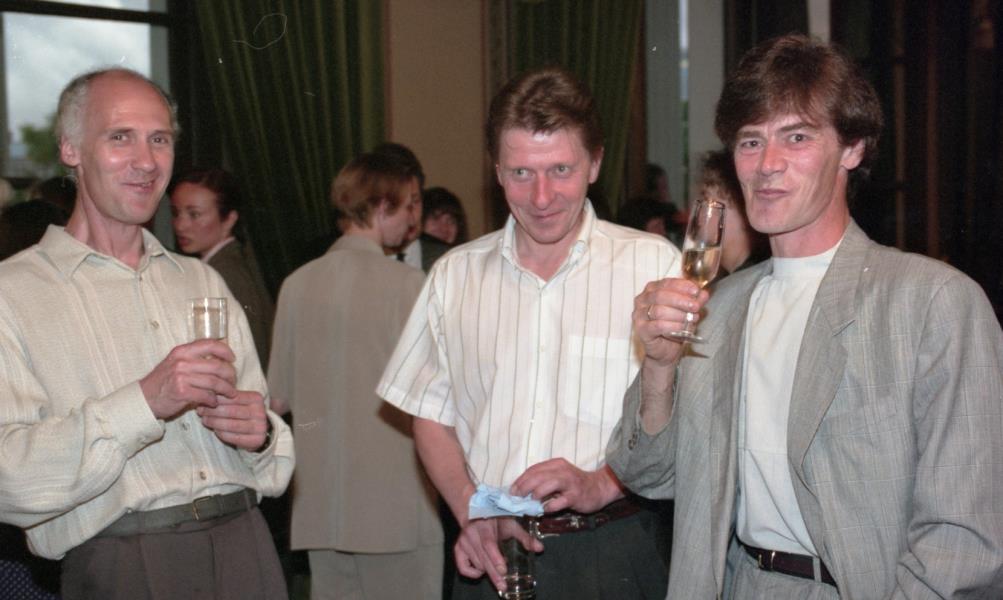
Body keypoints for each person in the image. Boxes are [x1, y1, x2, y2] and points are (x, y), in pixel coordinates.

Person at [608, 34, 1003, 599]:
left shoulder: (932, 304)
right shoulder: (719, 310)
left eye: (796, 136)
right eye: (751, 141)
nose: (767, 165)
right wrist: (659, 367)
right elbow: (651, 476)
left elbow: (963, 544)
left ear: (853, 148)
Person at [378, 66, 680, 599]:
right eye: (521, 172)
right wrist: (468, 509)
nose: (541, 197)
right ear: (496, 170)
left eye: (561, 169)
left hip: (613, 550)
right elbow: (429, 414)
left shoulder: (653, 265)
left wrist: (602, 483)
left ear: (595, 163)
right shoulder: (454, 275)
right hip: (493, 555)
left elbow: (686, 416)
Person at [0, 67, 294, 600]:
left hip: (246, 543)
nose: (146, 161)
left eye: (160, 139)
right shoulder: (13, 294)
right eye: (121, 137)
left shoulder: (201, 280)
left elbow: (266, 441)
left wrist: (262, 435)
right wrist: (143, 402)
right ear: (69, 149)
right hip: (123, 560)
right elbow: (8, 479)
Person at [268, 152, 443, 600]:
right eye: (407, 206)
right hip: (397, 506)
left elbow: (279, 400)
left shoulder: (296, 283)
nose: (412, 219)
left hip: (319, 506)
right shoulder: (409, 284)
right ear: (382, 207)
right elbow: (437, 396)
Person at [170, 167, 275, 369]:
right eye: (176, 213)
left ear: (229, 219)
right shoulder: (231, 264)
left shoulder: (224, 273)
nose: (180, 225)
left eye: (194, 214)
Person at [371, 142, 451, 272]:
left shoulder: (448, 260)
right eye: (396, 204)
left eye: (415, 201)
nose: (409, 216)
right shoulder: (353, 263)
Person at [698, 149, 769, 275]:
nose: (698, 214)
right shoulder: (728, 278)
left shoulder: (752, 281)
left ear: (744, 208)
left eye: (706, 200)